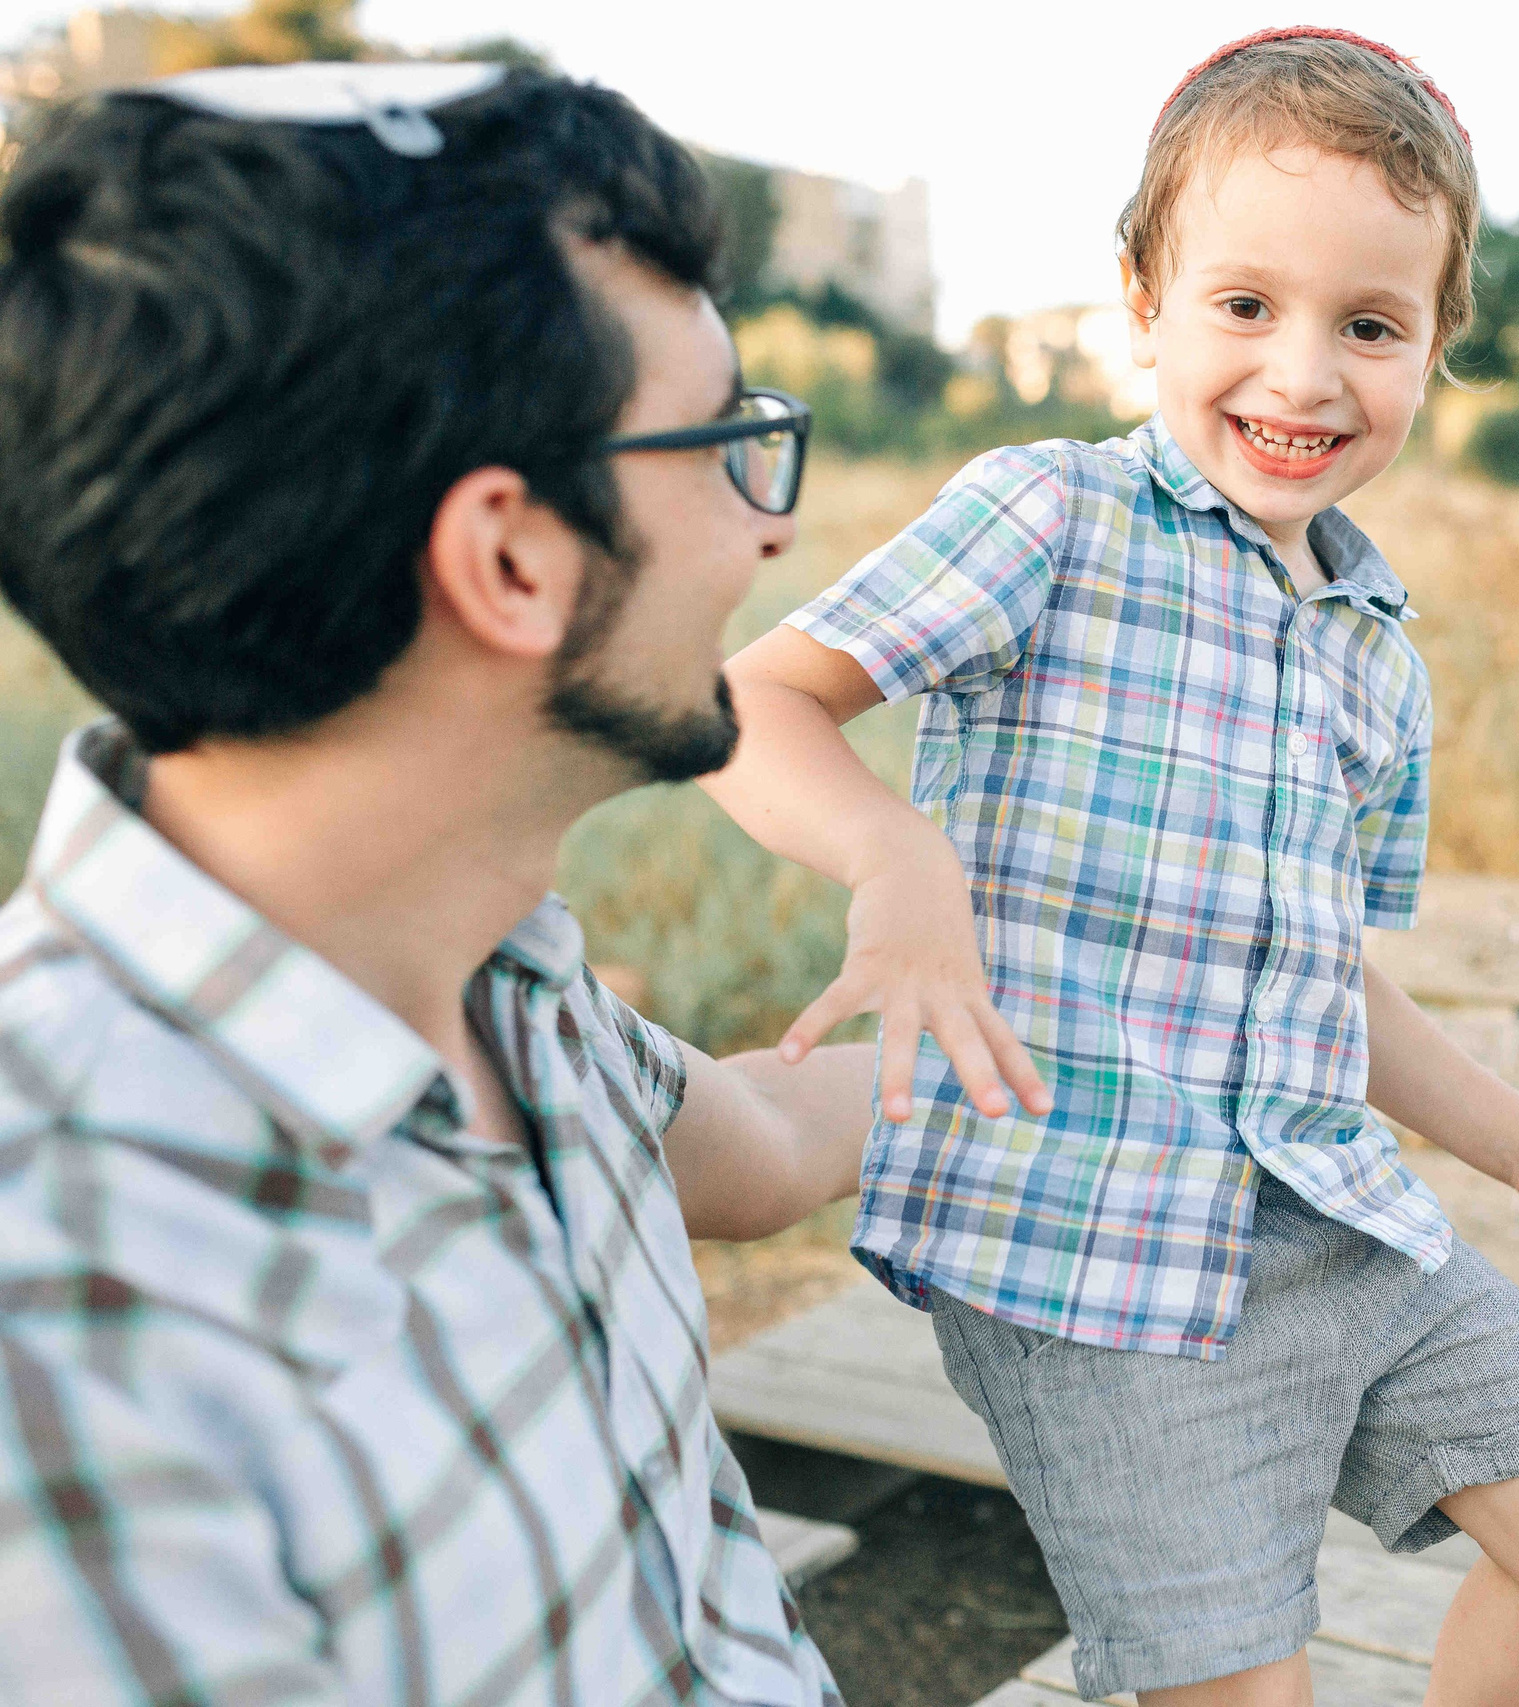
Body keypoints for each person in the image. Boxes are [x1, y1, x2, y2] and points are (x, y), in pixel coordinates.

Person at [703, 30, 1519, 1706]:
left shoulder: (1374, 653)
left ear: (1434, 349)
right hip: (1089, 1245)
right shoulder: (1047, 517)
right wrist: (894, 853)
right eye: (1246, 306)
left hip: (1326, 1212)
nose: (1304, 374)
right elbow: (759, 704)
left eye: (1371, 326)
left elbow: (1324, 969)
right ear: (1144, 298)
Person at [0, 62, 872, 1705]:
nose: (770, 534)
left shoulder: (497, 989)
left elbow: (768, 1141)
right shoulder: (64, 1309)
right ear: (509, 560)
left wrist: (1078, 1020)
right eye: (725, 444)